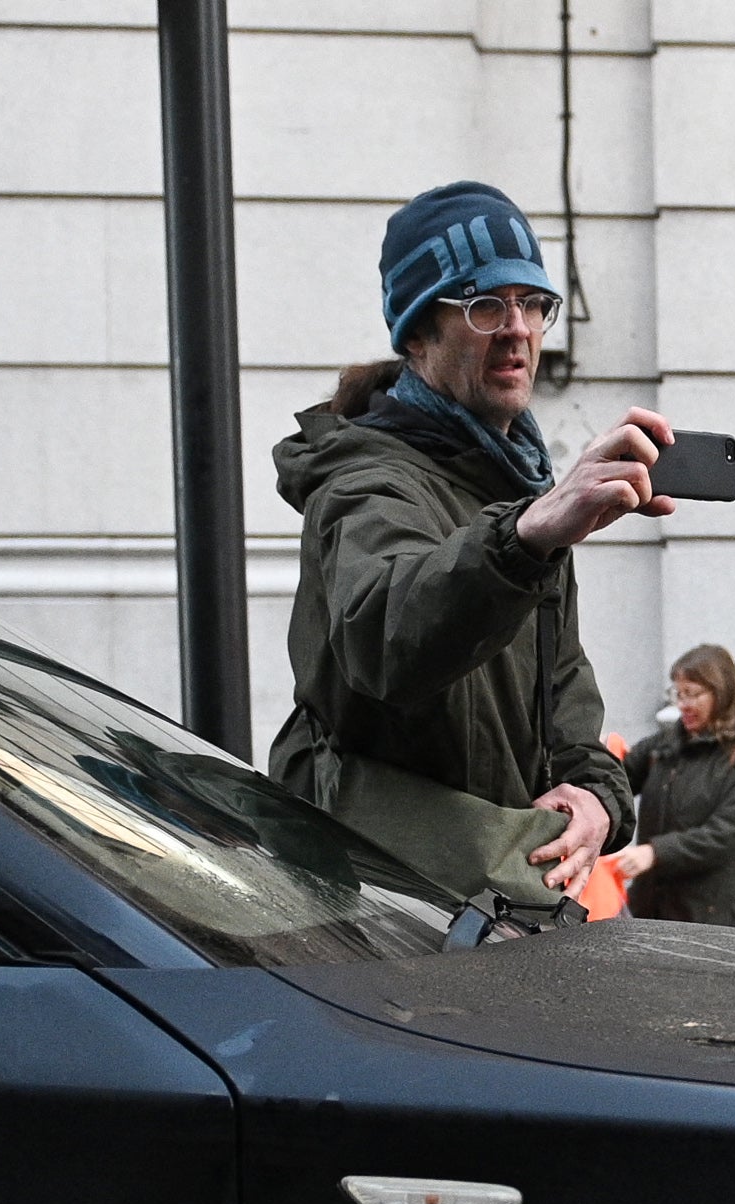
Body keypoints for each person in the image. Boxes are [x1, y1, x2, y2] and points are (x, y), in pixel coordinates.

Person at [271, 180, 670, 907]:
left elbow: (564, 700)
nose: (517, 328)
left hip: (489, 906)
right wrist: (524, 539)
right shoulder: (362, 479)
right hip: (372, 912)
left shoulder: (520, 492)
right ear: (419, 332)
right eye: (486, 305)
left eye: (532, 303)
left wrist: (595, 797)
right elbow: (384, 632)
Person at [614, 642, 735, 926]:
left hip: (716, 920)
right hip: (654, 912)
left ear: (720, 693)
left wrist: (655, 852)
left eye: (692, 694)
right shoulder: (665, 746)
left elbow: (727, 833)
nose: (682, 704)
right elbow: (619, 779)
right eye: (678, 693)